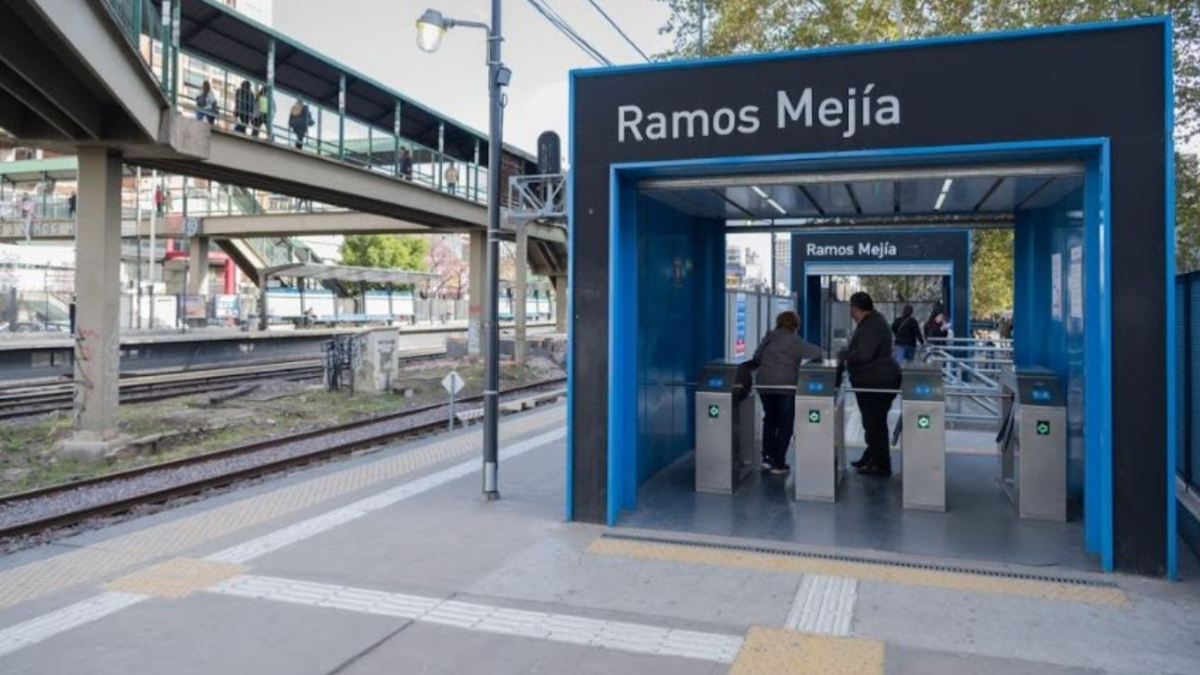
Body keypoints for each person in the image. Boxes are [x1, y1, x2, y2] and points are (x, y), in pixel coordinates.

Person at [747, 310, 823, 474]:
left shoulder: (769, 338)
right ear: (795, 326)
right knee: (784, 423)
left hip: (764, 384)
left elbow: (757, 357)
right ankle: (778, 462)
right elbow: (817, 352)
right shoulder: (794, 341)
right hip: (785, 386)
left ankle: (767, 457)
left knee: (769, 419)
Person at [840, 292, 902, 477]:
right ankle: (871, 456)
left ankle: (880, 464)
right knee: (872, 422)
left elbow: (865, 354)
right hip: (875, 379)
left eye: (851, 308)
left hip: (877, 381)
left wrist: (844, 356)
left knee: (875, 423)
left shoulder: (872, 325)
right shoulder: (872, 322)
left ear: (855, 308)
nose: (850, 312)